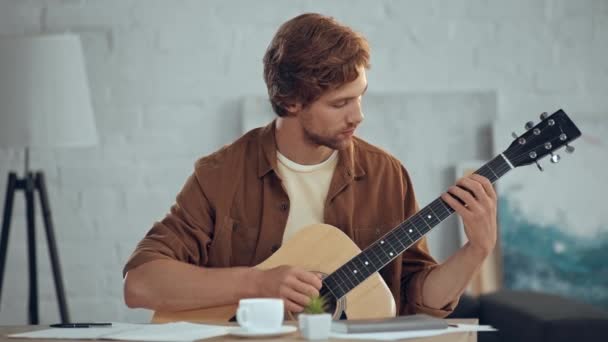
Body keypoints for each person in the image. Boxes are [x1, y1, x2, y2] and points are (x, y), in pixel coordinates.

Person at [122, 13, 497, 317]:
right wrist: (258, 283)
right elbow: (141, 284)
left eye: (360, 97)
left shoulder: (387, 175)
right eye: (340, 104)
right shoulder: (220, 175)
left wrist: (476, 249)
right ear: (291, 102)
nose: (358, 116)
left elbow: (417, 297)